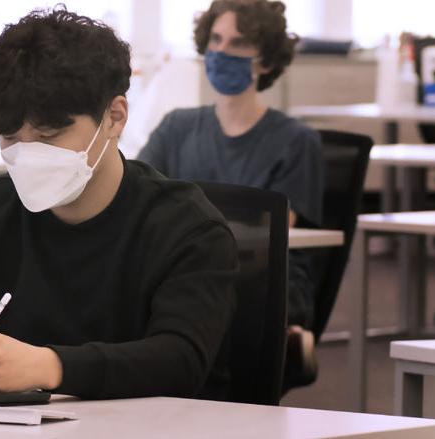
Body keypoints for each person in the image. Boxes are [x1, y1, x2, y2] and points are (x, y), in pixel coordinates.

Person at [0, 7, 239, 400]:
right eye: (10, 137)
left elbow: (181, 361)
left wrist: (48, 366)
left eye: (50, 135)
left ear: (114, 117)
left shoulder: (186, 227)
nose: (28, 155)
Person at [137, 0, 324, 388]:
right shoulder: (177, 127)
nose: (221, 52)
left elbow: (265, 238)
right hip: (185, 269)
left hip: (264, 280)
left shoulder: (295, 141)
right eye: (216, 39)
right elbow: (137, 200)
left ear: (267, 61)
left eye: (238, 43)